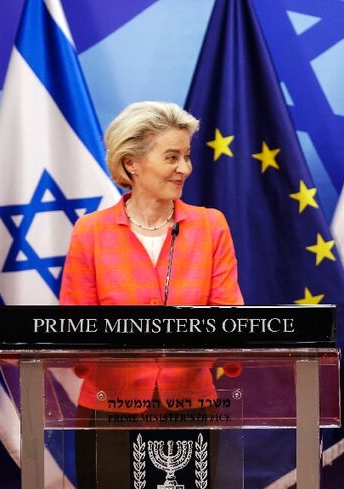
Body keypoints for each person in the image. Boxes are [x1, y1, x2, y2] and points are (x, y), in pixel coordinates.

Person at [60, 101, 243, 487]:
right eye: (172, 157)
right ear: (132, 163)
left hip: (190, 405)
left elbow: (230, 317)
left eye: (187, 156)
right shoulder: (91, 233)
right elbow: (73, 327)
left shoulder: (211, 227)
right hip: (110, 408)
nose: (185, 169)